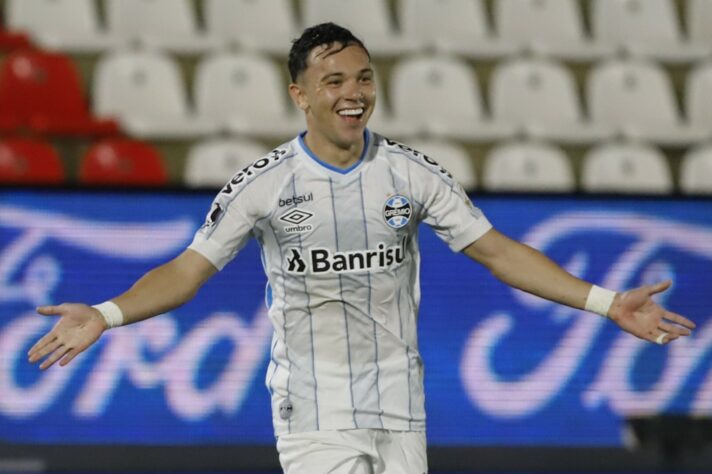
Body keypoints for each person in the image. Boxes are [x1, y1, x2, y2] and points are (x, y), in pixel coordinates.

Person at [28, 22, 696, 474]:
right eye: (335, 82)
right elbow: (186, 271)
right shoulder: (263, 185)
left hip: (401, 404)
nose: (355, 95)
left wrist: (607, 303)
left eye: (365, 78)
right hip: (314, 406)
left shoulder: (411, 173)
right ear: (301, 95)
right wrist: (107, 314)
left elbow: (496, 251)